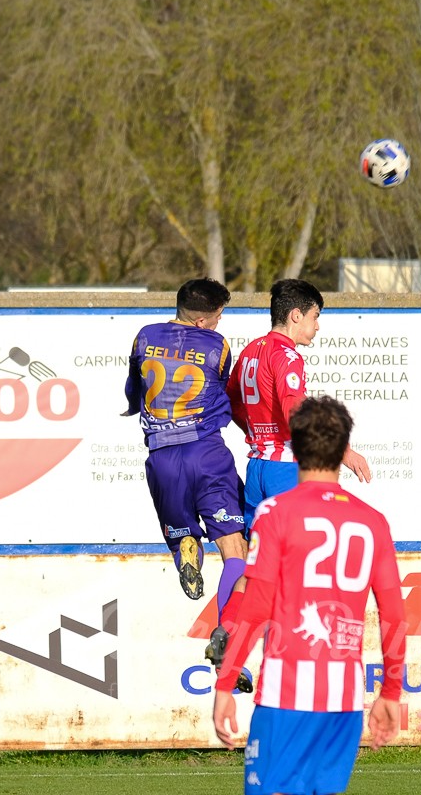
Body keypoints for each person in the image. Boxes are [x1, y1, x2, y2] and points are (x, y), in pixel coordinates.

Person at [211, 396, 406, 795]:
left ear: (294, 447)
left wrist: (225, 683)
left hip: (285, 696)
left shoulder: (275, 512)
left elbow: (256, 606)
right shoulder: (373, 522)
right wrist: (390, 692)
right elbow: (393, 614)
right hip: (344, 703)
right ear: (343, 449)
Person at [123, 277, 250, 690]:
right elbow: (225, 391)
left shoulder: (144, 336)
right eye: (218, 316)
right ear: (201, 321)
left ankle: (185, 550)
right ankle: (227, 643)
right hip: (206, 452)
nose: (219, 323)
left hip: (162, 457)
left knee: (181, 534)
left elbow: (133, 393)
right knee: (235, 550)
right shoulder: (217, 345)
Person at [228, 278, 371, 526]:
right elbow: (295, 412)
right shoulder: (287, 355)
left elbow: (231, 401)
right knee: (297, 540)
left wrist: (257, 432)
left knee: (258, 543)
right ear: (296, 315)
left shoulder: (251, 350)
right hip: (285, 466)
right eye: (315, 317)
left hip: (257, 466)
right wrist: (342, 451)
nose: (317, 326)